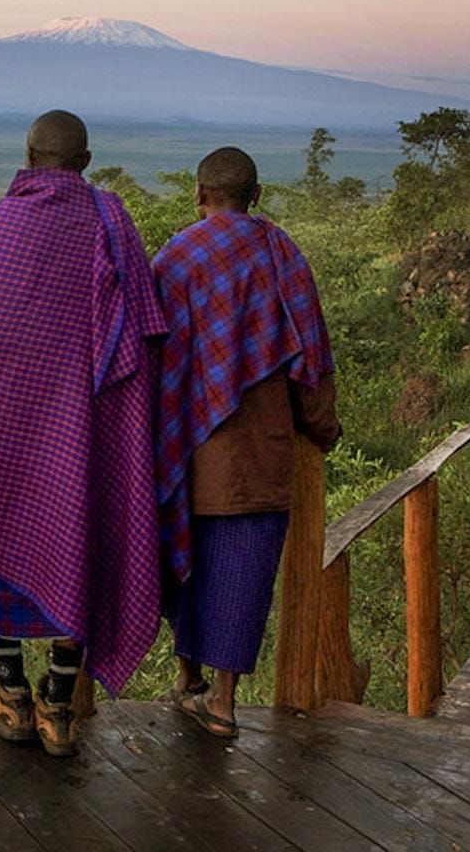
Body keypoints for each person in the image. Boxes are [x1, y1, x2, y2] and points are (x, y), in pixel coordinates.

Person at [0, 110, 178, 757]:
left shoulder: (1, 220)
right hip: (84, 422)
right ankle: (59, 705)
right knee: (79, 532)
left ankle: (11, 693)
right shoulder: (108, 220)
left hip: (3, 415)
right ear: (84, 162)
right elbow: (145, 331)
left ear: (27, 158)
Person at [151, 146, 340, 740]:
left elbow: (152, 359)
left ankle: (187, 677)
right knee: (245, 574)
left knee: (183, 566)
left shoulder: (174, 259)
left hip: (185, 450)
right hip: (263, 453)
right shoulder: (281, 254)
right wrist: (324, 428)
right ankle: (225, 702)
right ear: (255, 196)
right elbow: (311, 360)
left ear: (199, 195)